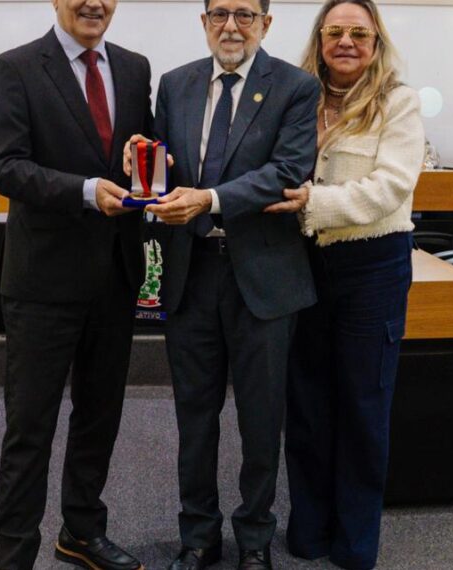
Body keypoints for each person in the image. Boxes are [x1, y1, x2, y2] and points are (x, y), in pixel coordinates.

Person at [128, 0, 317, 567]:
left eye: (243, 13)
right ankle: (198, 535)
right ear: (204, 21)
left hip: (263, 278)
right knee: (194, 414)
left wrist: (208, 200)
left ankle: (255, 537)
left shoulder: (295, 86)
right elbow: (165, 169)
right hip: (191, 274)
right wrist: (141, 163)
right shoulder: (176, 83)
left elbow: (288, 172)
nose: (230, 26)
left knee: (262, 419)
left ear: (265, 22)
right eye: (219, 14)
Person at [0, 0, 153, 566]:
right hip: (42, 285)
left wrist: (140, 159)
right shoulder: (15, 67)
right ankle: (15, 555)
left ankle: (80, 530)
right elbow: (6, 167)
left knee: (98, 416)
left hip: (115, 276)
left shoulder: (134, 67)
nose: (93, 2)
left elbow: (140, 152)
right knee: (30, 428)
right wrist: (86, 189)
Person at [263, 0, 420, 567]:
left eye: (359, 33)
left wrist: (313, 203)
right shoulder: (294, 94)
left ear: (375, 42)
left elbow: (392, 187)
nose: (347, 42)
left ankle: (355, 542)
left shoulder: (396, 102)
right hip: (301, 265)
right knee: (305, 403)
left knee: (362, 405)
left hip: (371, 266)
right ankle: (308, 528)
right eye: (336, 32)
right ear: (319, 38)